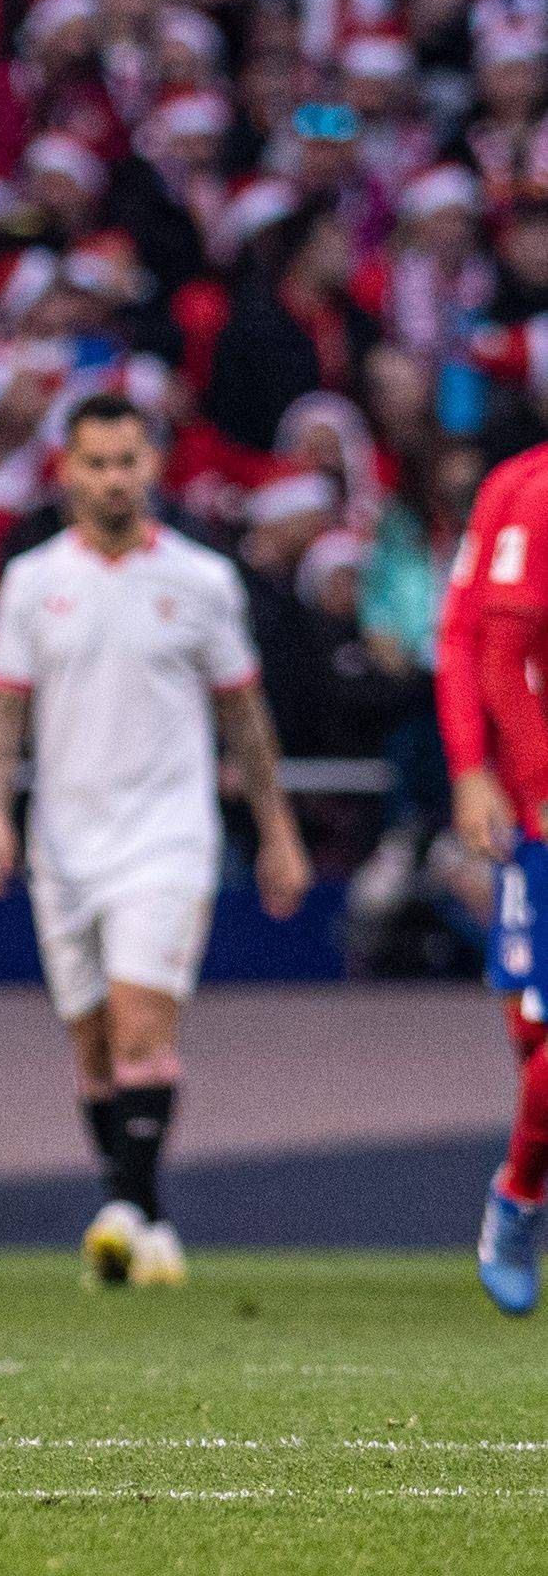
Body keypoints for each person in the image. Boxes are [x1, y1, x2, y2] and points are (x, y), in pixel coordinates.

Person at [0, 395, 313, 1290]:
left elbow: (245, 717)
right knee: (91, 1051)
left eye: (127, 460)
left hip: (167, 836)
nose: (113, 479)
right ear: (66, 471)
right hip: (63, 844)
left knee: (138, 1027)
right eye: (96, 462)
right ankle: (146, 1219)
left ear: (152, 465)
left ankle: (119, 1209)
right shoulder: (31, 581)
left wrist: (276, 831)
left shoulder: (201, 581)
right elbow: (3, 713)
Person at [431, 438, 548, 1315]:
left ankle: (518, 1194)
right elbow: (488, 648)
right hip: (537, 807)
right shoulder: (532, 492)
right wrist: (487, 770)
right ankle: (520, 1191)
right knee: (535, 1044)